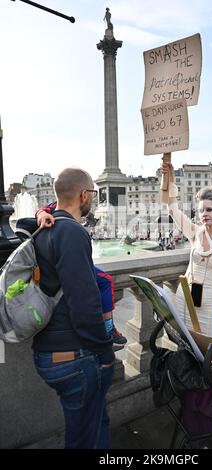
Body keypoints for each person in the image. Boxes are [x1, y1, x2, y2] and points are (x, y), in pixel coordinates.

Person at [32, 168, 115, 449]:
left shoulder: (45, 226)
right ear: (83, 195)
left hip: (50, 349)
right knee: (84, 439)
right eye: (92, 192)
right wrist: (105, 353)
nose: (93, 198)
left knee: (94, 424)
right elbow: (84, 301)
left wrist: (40, 213)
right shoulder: (71, 231)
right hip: (73, 358)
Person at [161, 163, 212, 340]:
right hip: (186, 297)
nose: (203, 213)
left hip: (211, 303)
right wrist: (171, 178)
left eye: (209, 209)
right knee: (185, 345)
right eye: (200, 210)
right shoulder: (194, 232)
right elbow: (172, 209)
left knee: (208, 347)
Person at [35, 202, 127, 346]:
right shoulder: (68, 221)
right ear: (82, 194)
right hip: (66, 262)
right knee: (106, 281)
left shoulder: (59, 208)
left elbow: (44, 208)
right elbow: (44, 209)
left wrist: (40, 213)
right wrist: (41, 213)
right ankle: (109, 329)